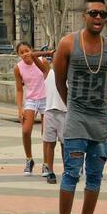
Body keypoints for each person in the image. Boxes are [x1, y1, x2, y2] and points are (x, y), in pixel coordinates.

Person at [51, 0, 107, 214]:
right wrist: (72, 105)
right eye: (93, 13)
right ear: (84, 15)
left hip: (101, 119)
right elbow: (59, 80)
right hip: (77, 117)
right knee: (71, 173)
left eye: (102, 14)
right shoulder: (68, 44)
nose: (98, 18)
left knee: (95, 176)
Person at [13, 41, 50, 175]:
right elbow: (19, 89)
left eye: (26, 50)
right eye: (21, 52)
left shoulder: (42, 61)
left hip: (46, 98)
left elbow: (49, 76)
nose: (25, 54)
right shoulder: (18, 68)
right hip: (31, 100)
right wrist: (20, 109)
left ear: (32, 50)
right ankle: (29, 159)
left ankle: (46, 164)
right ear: (18, 55)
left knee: (46, 133)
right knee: (26, 130)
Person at [40, 48, 66, 185]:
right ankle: (49, 170)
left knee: (65, 144)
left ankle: (67, 170)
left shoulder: (68, 75)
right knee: (50, 143)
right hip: (50, 111)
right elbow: (31, 56)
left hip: (65, 112)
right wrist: (46, 53)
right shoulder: (47, 72)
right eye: (56, 58)